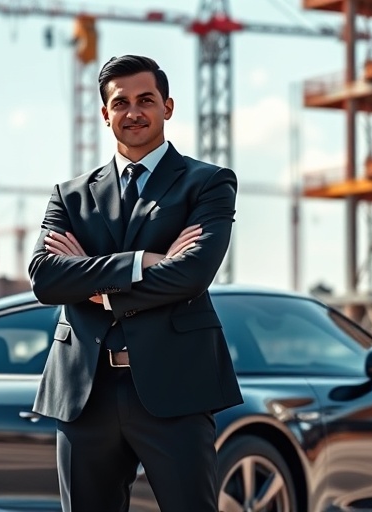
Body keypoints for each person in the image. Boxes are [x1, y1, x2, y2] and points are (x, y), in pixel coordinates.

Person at [28, 54, 243, 512]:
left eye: (145, 99)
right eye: (120, 102)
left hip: (176, 388)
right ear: (105, 114)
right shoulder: (70, 195)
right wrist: (143, 261)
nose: (133, 112)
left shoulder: (207, 183)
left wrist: (93, 282)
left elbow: (191, 273)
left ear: (167, 106)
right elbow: (46, 279)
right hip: (84, 392)